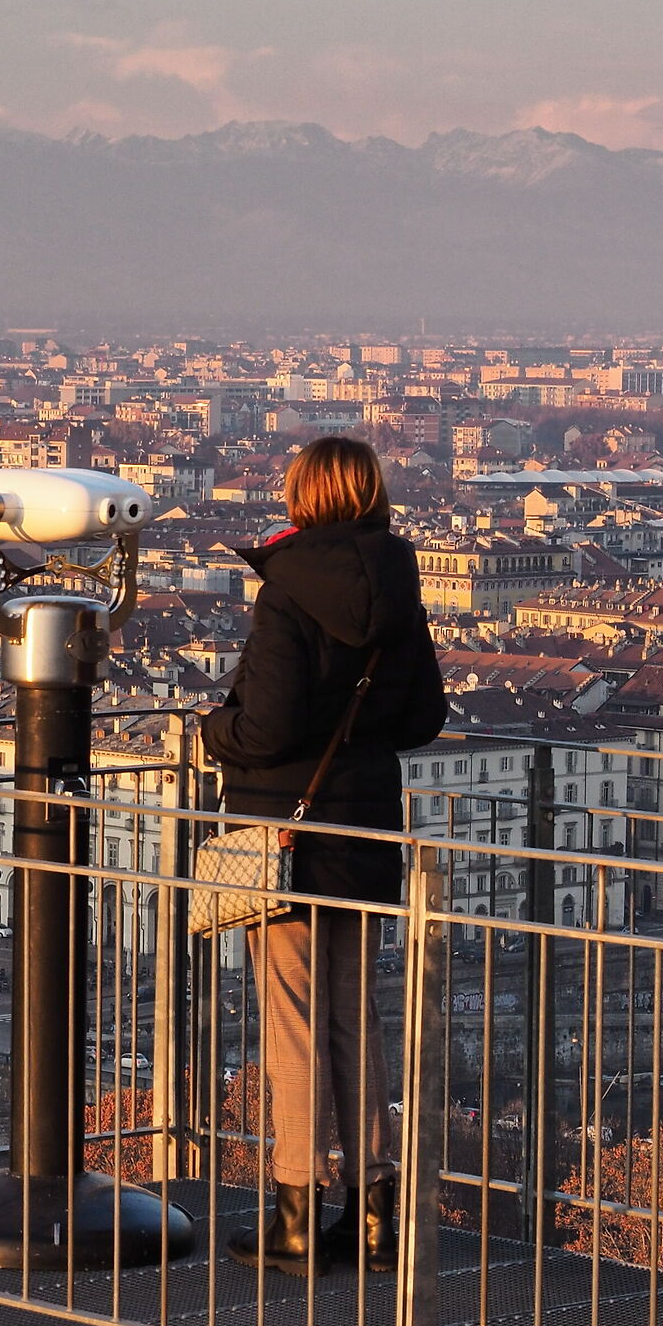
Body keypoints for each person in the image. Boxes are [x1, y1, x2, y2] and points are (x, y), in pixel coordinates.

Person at [203, 436, 447, 1276]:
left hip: (287, 838)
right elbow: (423, 720)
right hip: (365, 834)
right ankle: (374, 1217)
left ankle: (295, 1210)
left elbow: (264, 725)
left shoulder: (286, 593)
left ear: (302, 497)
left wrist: (213, 729)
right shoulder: (401, 586)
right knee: (353, 1016)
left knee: (293, 1023)